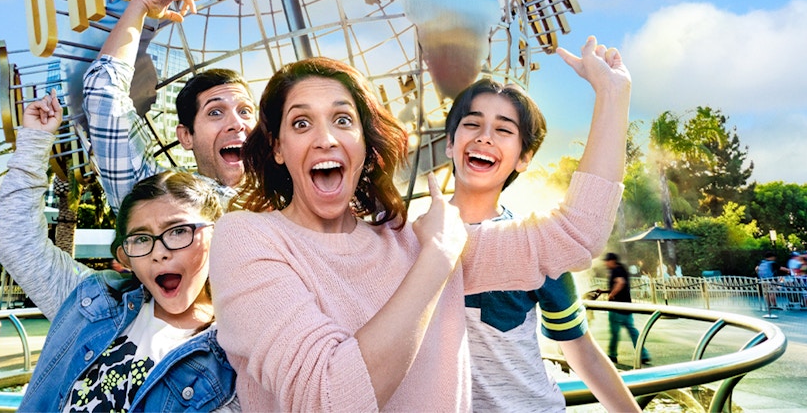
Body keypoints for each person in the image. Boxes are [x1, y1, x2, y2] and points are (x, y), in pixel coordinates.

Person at [209, 34, 631, 411]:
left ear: (365, 146)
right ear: (279, 148)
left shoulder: (409, 238)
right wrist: (439, 258)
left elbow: (577, 236)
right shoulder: (247, 238)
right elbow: (329, 398)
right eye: (302, 123)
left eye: (343, 120)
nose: (326, 138)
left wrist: (612, 97)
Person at [0, 91, 236, 411]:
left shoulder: (237, 350)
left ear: (218, 236)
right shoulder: (92, 303)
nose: (159, 253)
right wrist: (35, 141)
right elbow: (18, 241)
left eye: (178, 231)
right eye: (140, 239)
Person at [446, 77, 637, 411]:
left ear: (524, 157)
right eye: (472, 123)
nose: (485, 136)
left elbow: (582, 352)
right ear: (449, 143)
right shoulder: (407, 241)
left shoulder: (537, 245)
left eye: (504, 130)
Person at [84, 0, 256, 212]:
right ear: (186, 136)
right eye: (215, 112)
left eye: (245, 111)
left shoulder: (298, 192)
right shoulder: (163, 201)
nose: (237, 124)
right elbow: (102, 92)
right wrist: (140, 7)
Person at [603, 252, 652, 365]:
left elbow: (620, 283)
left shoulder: (616, 270)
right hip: (626, 306)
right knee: (632, 331)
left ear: (612, 261)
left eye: (607, 261)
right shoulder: (622, 269)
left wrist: (611, 295)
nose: (605, 263)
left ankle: (612, 354)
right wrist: (604, 291)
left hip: (617, 307)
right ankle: (643, 354)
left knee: (614, 333)